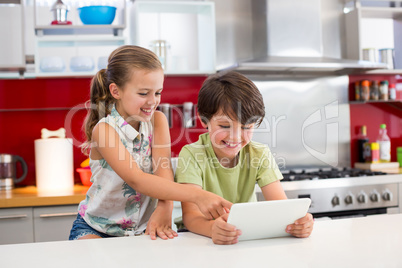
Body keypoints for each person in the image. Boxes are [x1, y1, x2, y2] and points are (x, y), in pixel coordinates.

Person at [69, 45, 232, 241]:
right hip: (97, 229)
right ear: (116, 91)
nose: (152, 101)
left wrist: (166, 205)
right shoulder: (105, 130)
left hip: (143, 230)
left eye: (157, 92)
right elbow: (136, 179)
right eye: (143, 93)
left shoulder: (158, 121)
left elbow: (163, 170)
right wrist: (197, 195)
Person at [174, 71, 314, 245]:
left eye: (246, 127)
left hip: (244, 238)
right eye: (225, 126)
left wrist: (298, 223)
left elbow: (280, 207)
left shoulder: (259, 153)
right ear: (204, 120)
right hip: (199, 239)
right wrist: (212, 229)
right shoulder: (192, 154)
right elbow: (191, 216)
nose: (235, 137)